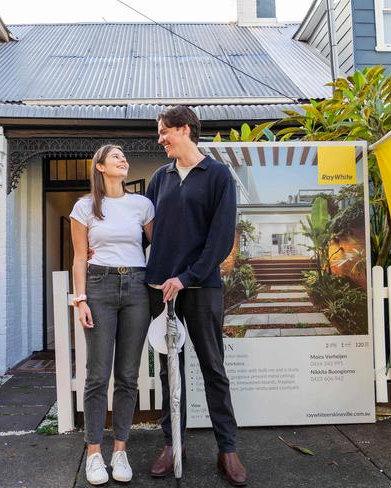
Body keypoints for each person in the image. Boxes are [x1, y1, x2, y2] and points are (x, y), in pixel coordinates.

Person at [145, 105, 248, 486]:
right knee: (170, 371)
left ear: (184, 129)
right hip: (163, 291)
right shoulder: (160, 177)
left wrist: (186, 277)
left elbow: (221, 239)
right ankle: (174, 444)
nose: (159, 139)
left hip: (201, 289)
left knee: (213, 369)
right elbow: (149, 229)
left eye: (163, 132)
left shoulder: (218, 175)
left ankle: (227, 449)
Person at [69, 144, 155, 486]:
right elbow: (78, 258)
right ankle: (93, 452)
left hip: (137, 286)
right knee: (97, 375)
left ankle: (120, 449)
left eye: (124, 156)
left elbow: (159, 246)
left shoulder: (143, 204)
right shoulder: (84, 207)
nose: (122, 159)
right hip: (100, 287)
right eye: (115, 156)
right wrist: (81, 299)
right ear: (100, 166)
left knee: (128, 376)